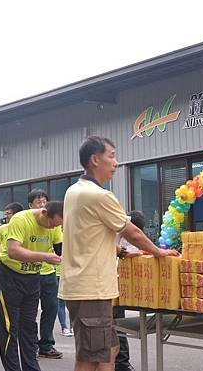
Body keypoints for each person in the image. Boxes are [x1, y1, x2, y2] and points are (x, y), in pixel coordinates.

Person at [59, 136, 178, 371]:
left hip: (83, 286)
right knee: (92, 358)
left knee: (110, 349)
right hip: (91, 289)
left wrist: (122, 253)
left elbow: (89, 238)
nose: (115, 163)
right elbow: (132, 231)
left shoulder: (74, 191)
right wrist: (158, 252)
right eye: (111, 156)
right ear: (95, 159)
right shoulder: (99, 195)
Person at [0, 201, 63, 371]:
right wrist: (44, 257)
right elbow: (13, 251)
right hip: (10, 276)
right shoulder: (21, 219)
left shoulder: (55, 225)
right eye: (51, 224)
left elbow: (62, 250)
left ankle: (31, 367)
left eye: (57, 226)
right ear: (43, 212)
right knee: (10, 328)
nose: (51, 228)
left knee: (29, 326)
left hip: (32, 278)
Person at [28, 189, 62, 359]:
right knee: (30, 311)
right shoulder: (26, 222)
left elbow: (60, 248)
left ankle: (46, 344)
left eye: (44, 201)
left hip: (48, 273)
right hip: (30, 273)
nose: (42, 204)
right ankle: (30, 344)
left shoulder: (54, 225)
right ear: (31, 206)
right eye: (38, 202)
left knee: (51, 308)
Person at [114, 210, 146, 371]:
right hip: (111, 286)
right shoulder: (116, 235)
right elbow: (117, 251)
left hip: (122, 289)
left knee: (118, 326)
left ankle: (122, 363)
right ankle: (118, 363)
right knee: (114, 327)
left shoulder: (136, 240)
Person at [0, 202, 24, 341]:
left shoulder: (24, 226)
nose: (6, 217)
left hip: (18, 268)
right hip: (2, 266)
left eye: (9, 214)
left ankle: (16, 330)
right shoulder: (3, 228)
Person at [56, 263, 73, 337]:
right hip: (58, 273)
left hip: (67, 273)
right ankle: (65, 327)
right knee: (62, 301)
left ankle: (70, 327)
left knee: (70, 301)